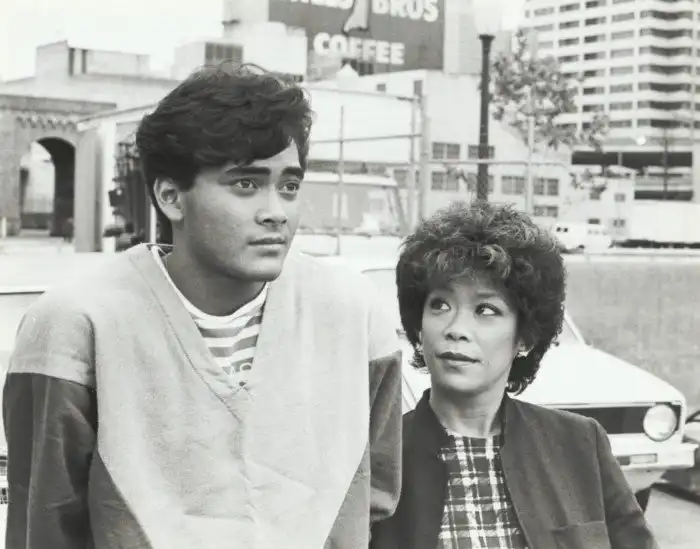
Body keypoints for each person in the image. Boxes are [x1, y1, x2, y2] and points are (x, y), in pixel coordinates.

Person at [3, 65, 403, 549]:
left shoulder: (354, 314)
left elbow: (380, 502)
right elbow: (44, 525)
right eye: (246, 184)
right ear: (171, 197)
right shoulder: (75, 324)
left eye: (289, 186)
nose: (276, 211)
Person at [371, 201, 658, 549]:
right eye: (440, 305)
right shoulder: (378, 458)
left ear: (525, 338)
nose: (456, 328)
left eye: (485, 309)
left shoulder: (581, 443)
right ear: (419, 325)